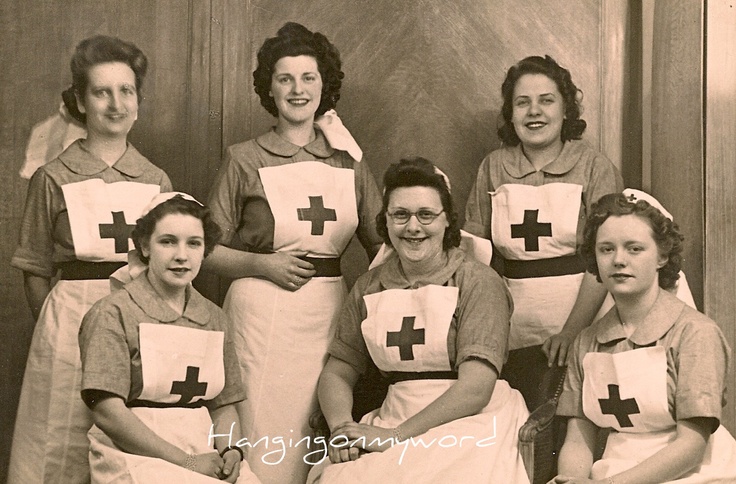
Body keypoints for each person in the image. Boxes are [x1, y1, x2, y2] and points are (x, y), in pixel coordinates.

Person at [205, 22, 382, 483]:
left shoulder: (349, 159)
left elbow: (384, 245)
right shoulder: (244, 157)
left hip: (328, 313)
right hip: (260, 313)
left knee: (313, 435)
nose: (297, 89)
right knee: (262, 434)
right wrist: (260, 264)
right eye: (285, 78)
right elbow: (203, 248)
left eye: (308, 78)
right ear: (269, 87)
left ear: (325, 86)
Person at [8, 35, 172, 484]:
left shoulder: (156, 180)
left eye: (126, 91)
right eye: (101, 92)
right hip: (68, 322)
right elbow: (36, 269)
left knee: (124, 441)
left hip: (133, 322)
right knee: (56, 438)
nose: (115, 103)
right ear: (80, 100)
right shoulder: (52, 176)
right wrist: (57, 325)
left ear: (138, 100)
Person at [307, 158, 530, 483]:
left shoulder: (478, 282)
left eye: (426, 215)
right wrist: (342, 427)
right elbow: (337, 373)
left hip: (472, 421)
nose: (413, 227)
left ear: (447, 221)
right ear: (385, 221)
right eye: (400, 215)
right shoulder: (368, 286)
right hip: (394, 414)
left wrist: (396, 437)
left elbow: (475, 388)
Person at [464, 55, 623, 410]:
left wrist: (572, 332)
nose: (534, 111)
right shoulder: (493, 166)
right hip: (513, 325)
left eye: (546, 100)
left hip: (584, 318)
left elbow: (608, 257)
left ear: (566, 109)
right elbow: (474, 256)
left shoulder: (594, 166)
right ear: (510, 114)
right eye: (522, 103)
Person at [550, 193, 736, 483]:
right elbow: (578, 439)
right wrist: (571, 479)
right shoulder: (587, 342)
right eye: (606, 249)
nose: (619, 260)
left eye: (634, 249)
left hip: (695, 474)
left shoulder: (695, 333)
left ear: (662, 256)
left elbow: (691, 447)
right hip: (615, 470)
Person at [77, 193, 260, 483]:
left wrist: (232, 451)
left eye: (194, 243)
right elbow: (107, 412)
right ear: (145, 246)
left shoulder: (214, 318)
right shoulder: (113, 312)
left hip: (203, 450)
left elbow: (223, 405)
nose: (181, 255)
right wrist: (187, 462)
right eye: (168, 241)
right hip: (134, 454)